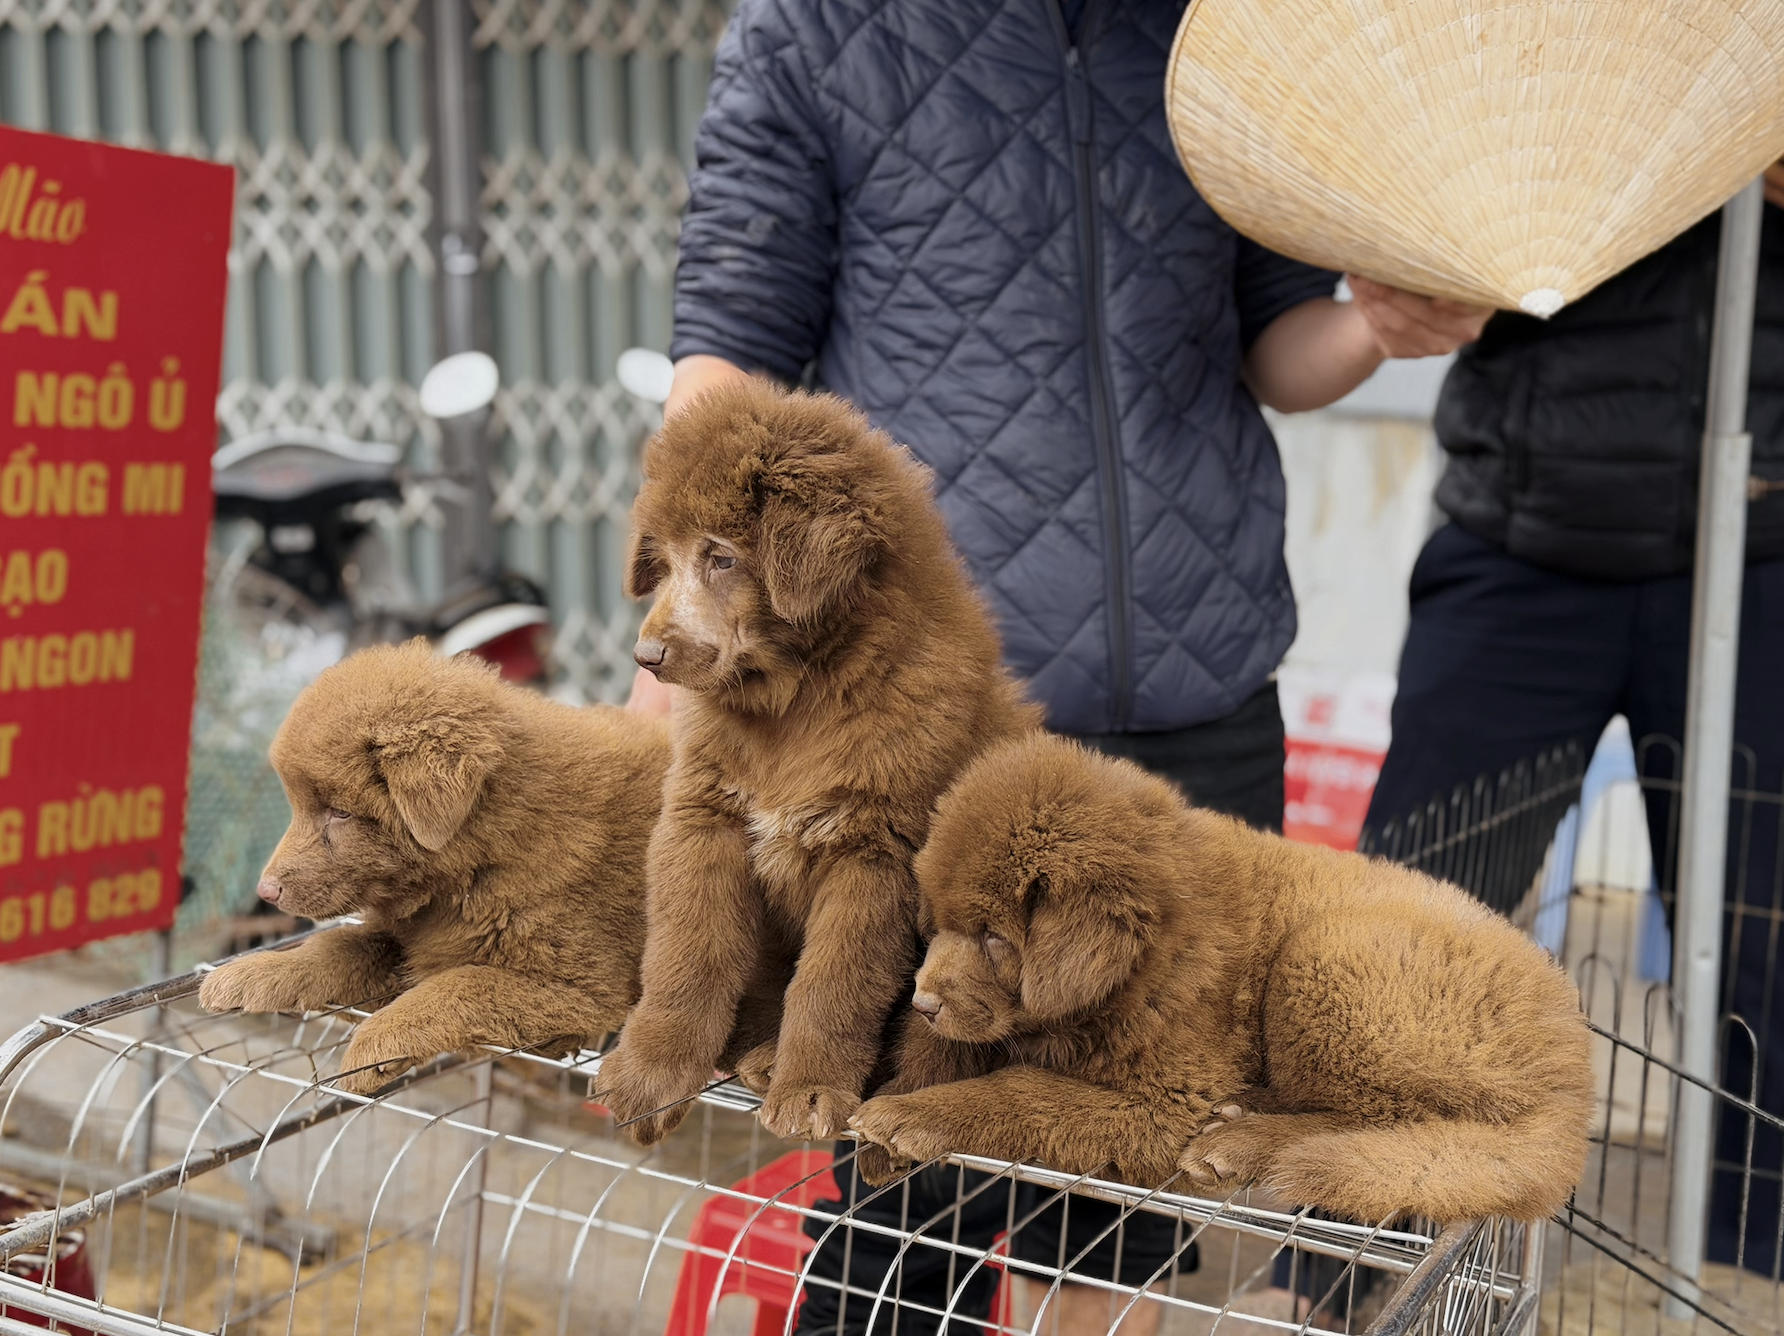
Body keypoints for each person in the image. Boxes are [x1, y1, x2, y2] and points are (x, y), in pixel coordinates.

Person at [628, 1, 1488, 1332]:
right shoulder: (816, 29)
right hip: (943, 725)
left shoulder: (1217, 40)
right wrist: (685, 649)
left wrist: (1373, 324)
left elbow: (1278, 345)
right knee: (915, 1169)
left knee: (1143, 1140)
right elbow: (725, 364)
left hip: (1199, 689)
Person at [1365, 160, 1784, 1273]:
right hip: (1520, 525)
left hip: (1761, 543)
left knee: (1762, 943)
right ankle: (1344, 1255)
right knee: (1411, 925)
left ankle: (1749, 1267)